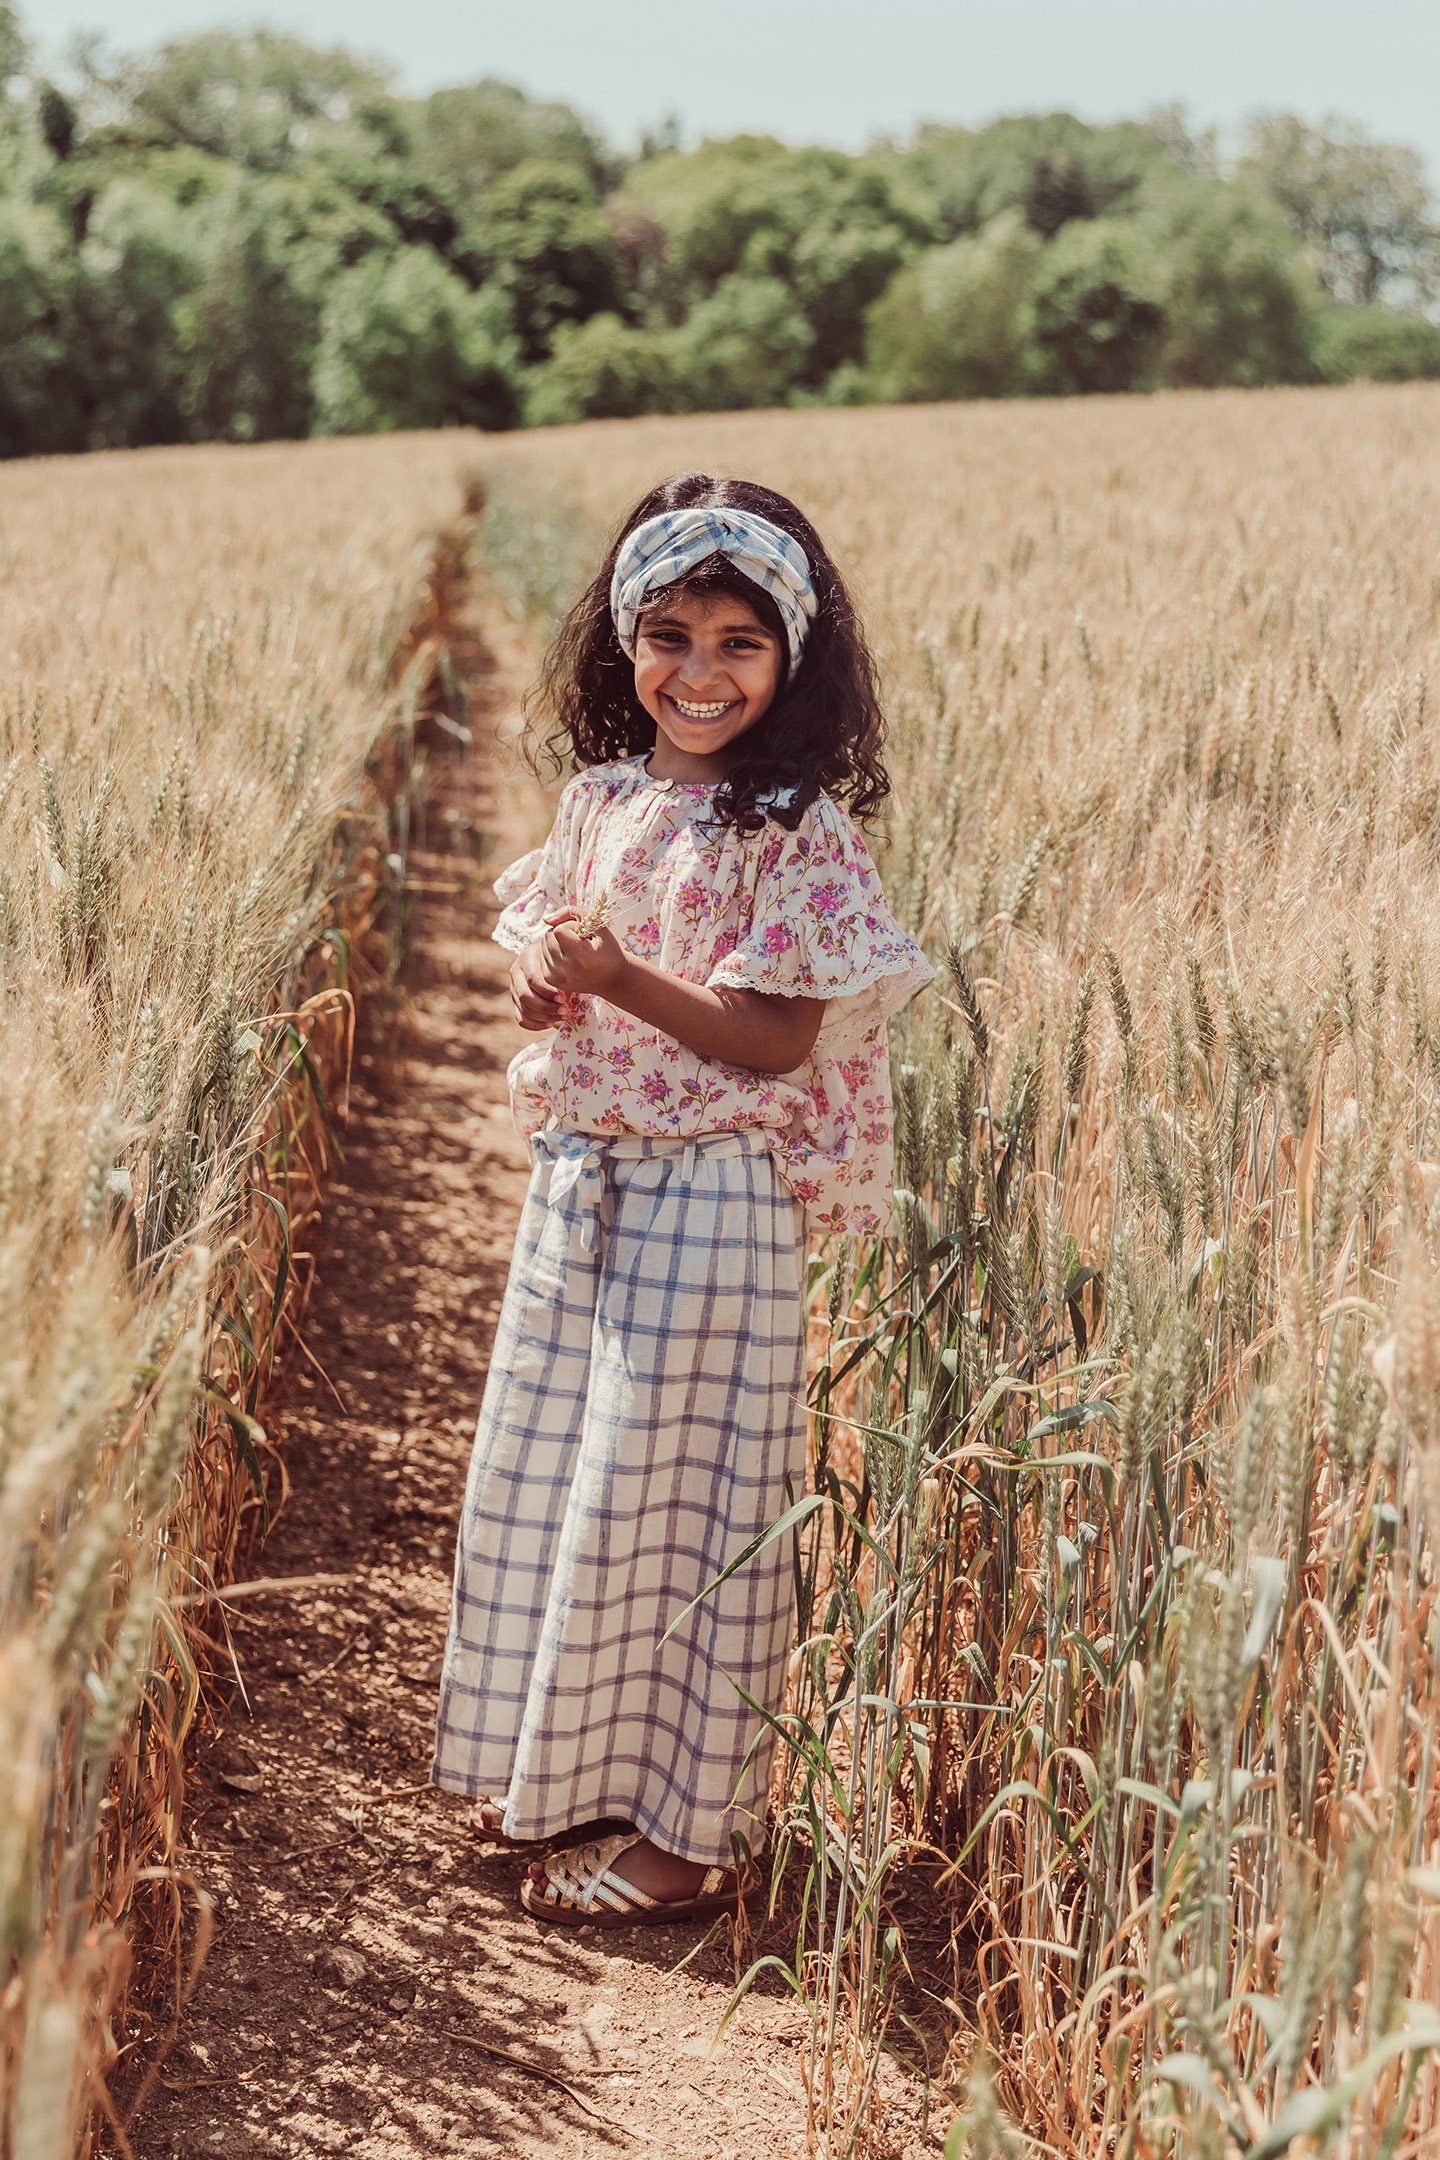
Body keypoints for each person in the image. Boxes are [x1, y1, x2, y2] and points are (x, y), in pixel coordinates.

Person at [430, 472, 933, 1927]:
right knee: (571, 1485)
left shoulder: (799, 831)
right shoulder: (600, 801)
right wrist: (546, 982)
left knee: (687, 1511)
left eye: (739, 643)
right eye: (668, 635)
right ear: (622, 645)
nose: (699, 674)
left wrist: (616, 980)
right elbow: (553, 979)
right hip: (582, 1189)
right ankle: (566, 1768)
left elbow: (774, 1039)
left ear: (794, 661)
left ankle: (681, 1844)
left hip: (711, 1207)